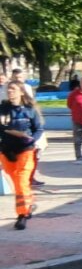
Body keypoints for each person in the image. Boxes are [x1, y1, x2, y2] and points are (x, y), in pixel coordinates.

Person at [1, 80, 43, 229]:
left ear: (21, 92)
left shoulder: (29, 109)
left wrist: (32, 140)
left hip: (26, 150)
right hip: (6, 151)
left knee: (21, 181)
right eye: (8, 89)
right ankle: (29, 204)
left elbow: (38, 129)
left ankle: (22, 214)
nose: (10, 91)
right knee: (18, 183)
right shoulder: (3, 108)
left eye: (13, 89)